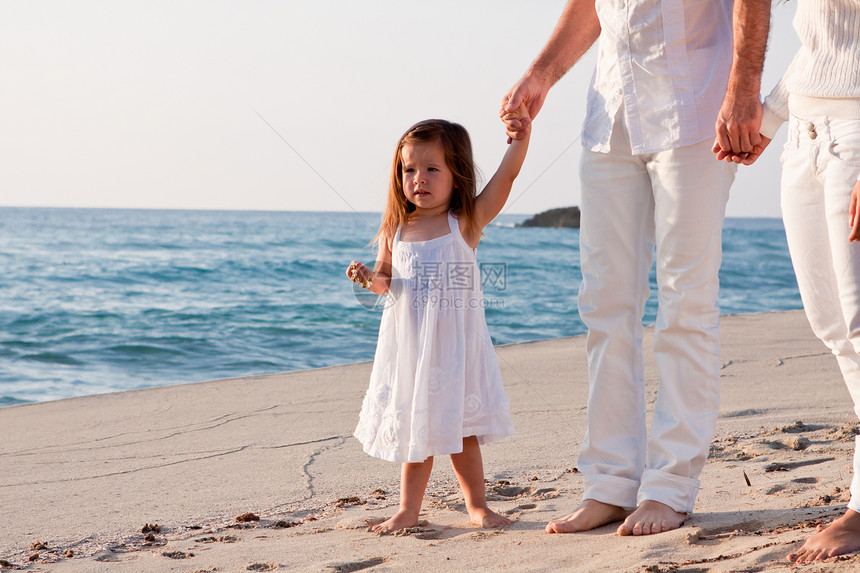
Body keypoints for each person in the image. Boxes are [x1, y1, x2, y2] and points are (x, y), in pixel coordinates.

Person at [501, 0, 771, 536]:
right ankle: (610, 484)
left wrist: (744, 86)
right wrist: (540, 75)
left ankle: (670, 487)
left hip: (698, 105)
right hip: (612, 114)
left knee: (686, 301)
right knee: (605, 303)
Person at [714, 0, 860, 563]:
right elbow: (825, 39)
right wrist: (769, 118)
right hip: (804, 130)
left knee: (858, 321)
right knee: (831, 324)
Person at [346, 115, 530, 532]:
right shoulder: (397, 227)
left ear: (455, 174)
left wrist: (523, 137)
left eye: (432, 169)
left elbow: (507, 176)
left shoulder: (465, 222)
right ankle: (409, 509)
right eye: (409, 169)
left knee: (462, 431)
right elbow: (385, 283)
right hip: (411, 348)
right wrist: (366, 279)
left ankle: (477, 506)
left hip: (454, 348)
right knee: (417, 426)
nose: (419, 179)